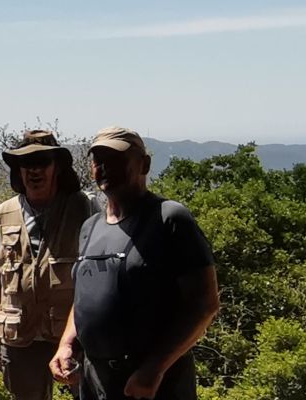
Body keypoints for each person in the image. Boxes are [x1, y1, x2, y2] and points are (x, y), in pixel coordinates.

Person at [48, 127, 221, 400]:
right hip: (94, 380)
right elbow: (85, 295)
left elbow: (205, 304)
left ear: (145, 164)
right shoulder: (90, 227)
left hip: (152, 385)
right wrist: (67, 343)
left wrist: (154, 369)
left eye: (116, 160)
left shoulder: (169, 219)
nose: (104, 168)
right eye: (98, 161)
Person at [0, 130, 97, 400]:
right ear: (18, 171)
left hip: (73, 334)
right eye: (26, 164)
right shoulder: (4, 213)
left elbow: (98, 275)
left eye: (42, 162)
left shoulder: (84, 208)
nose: (34, 170)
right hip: (20, 336)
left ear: (57, 167)